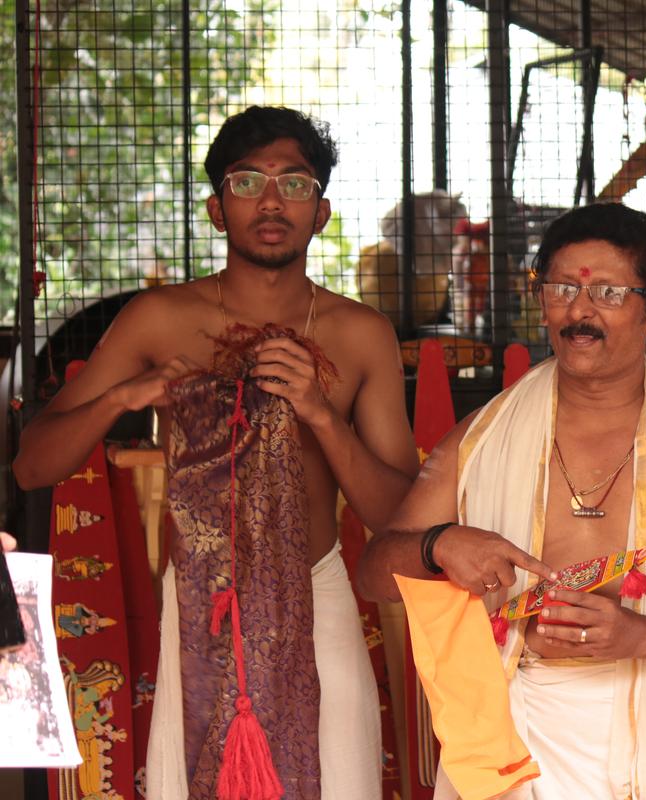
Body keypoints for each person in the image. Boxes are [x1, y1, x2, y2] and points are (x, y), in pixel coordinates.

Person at [14, 106, 419, 800]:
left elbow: (399, 516)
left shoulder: (358, 333)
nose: (270, 200)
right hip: (197, 606)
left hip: (316, 598)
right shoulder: (161, 319)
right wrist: (122, 399)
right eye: (247, 182)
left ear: (320, 213)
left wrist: (320, 413)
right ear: (214, 208)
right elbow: (31, 465)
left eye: (294, 184)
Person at [357, 202, 646, 799]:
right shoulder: (482, 437)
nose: (579, 312)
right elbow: (376, 573)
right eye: (561, 290)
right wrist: (437, 544)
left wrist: (638, 637)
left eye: (607, 292)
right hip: (518, 730)